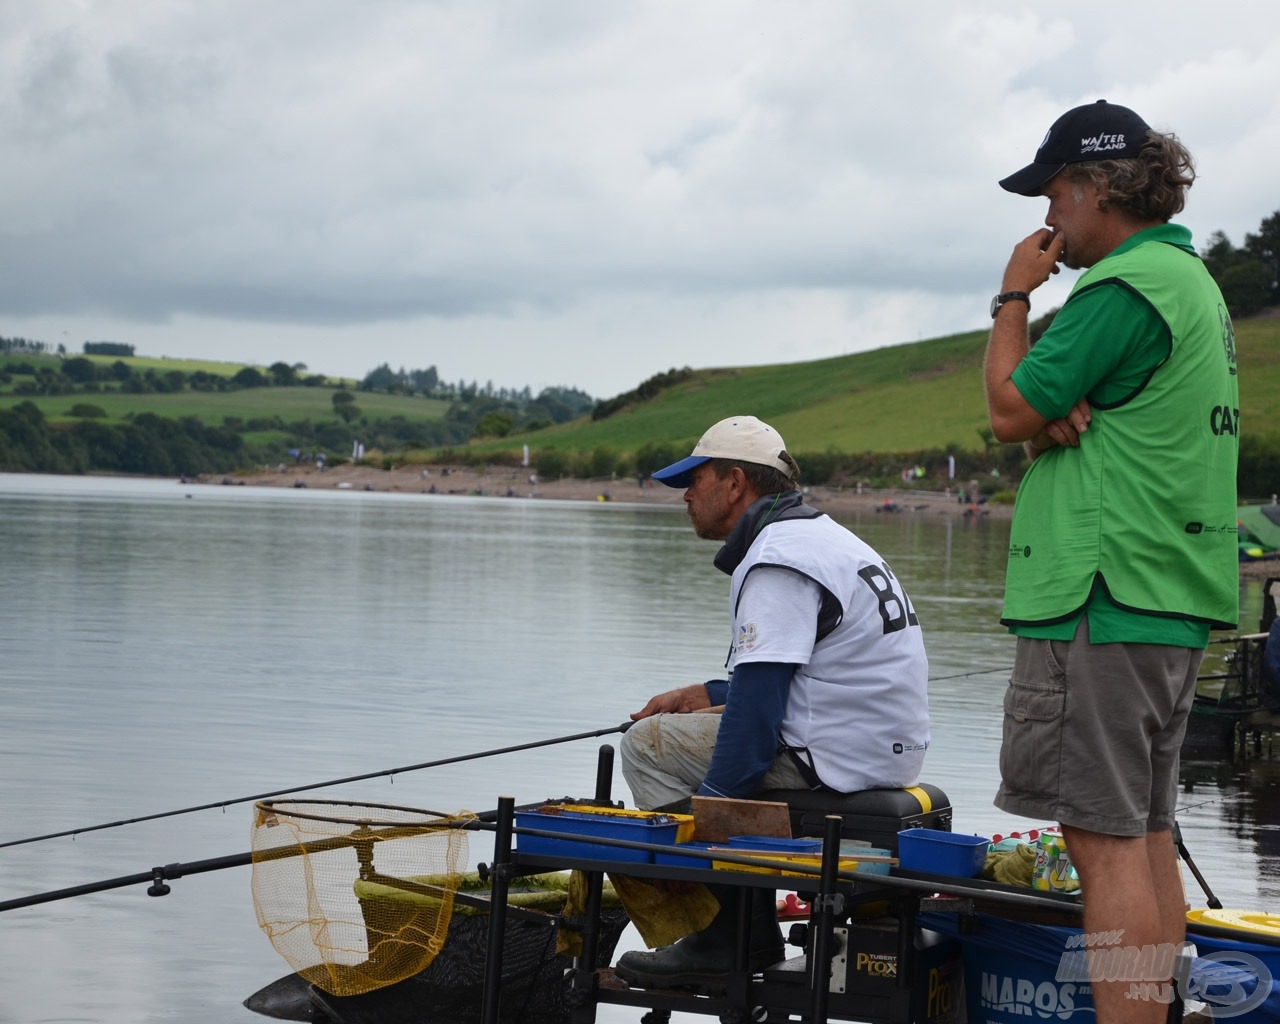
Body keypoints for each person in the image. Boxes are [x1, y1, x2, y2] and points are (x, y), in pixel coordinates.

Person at [985, 100, 1239, 1024]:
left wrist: (1015, 295)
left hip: (1101, 594)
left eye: (1055, 193)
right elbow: (1053, 416)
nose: (1048, 219)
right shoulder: (1192, 284)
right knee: (1146, 834)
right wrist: (1050, 414)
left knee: (1099, 844)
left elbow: (1011, 410)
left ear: (1096, 188)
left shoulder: (1121, 288)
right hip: (1168, 597)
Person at [614, 414, 930, 994]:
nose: (686, 494)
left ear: (735, 483)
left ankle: (725, 935)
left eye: (696, 478)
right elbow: (810, 676)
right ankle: (744, 924)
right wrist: (706, 694)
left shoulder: (778, 559)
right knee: (688, 725)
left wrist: (708, 814)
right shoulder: (823, 537)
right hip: (881, 746)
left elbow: (756, 726)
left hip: (835, 753)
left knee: (645, 747)